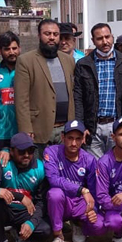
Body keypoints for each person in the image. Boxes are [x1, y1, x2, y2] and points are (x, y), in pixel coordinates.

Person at [14, 19, 76, 155]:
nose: (52, 37)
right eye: (47, 34)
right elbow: (21, 100)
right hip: (39, 130)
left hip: (65, 129)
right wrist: (26, 129)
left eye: (55, 34)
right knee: (41, 172)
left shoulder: (68, 60)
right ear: (39, 36)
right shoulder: (26, 61)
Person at [74, 23, 122, 158]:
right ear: (93, 41)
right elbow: (78, 97)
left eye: (108, 37)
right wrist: (81, 124)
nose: (105, 42)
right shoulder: (84, 64)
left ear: (112, 37)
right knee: (96, 169)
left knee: (117, 167)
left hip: (117, 124)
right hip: (93, 127)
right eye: (100, 38)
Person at [0, 132, 51, 242]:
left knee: (44, 231)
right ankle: (1, 239)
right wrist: (19, 196)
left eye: (30, 151)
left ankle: (19, 231)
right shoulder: (2, 162)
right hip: (6, 209)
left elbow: (41, 202)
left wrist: (31, 223)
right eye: (21, 151)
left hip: (25, 212)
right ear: (12, 151)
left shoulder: (39, 168)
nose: (26, 155)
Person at [44, 120, 100, 242]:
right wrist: (81, 189)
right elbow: (53, 179)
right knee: (54, 193)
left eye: (78, 139)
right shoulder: (51, 152)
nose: (73, 143)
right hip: (62, 202)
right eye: (70, 138)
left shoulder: (89, 160)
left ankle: (78, 223)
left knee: (98, 225)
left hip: (79, 204)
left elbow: (93, 191)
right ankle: (58, 236)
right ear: (63, 137)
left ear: (83, 139)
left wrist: (94, 210)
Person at [0, 31, 20, 150]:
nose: (12, 52)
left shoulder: (26, 68)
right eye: (7, 49)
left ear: (19, 48)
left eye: (14, 48)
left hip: (23, 130)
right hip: (3, 132)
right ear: (0, 51)